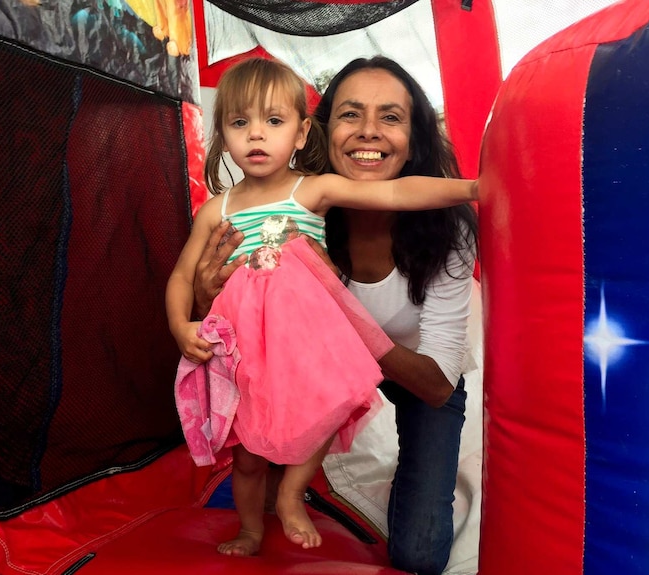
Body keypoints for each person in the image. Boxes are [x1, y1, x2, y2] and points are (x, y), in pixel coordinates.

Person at [166, 57, 476, 559]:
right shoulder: (228, 208)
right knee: (253, 451)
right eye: (240, 123)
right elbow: (188, 277)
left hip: (419, 374)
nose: (257, 136)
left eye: (391, 117)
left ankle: (293, 494)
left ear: (299, 129)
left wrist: (475, 189)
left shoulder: (313, 194)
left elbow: (397, 192)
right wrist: (188, 317)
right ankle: (259, 520)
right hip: (275, 352)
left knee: (418, 552)